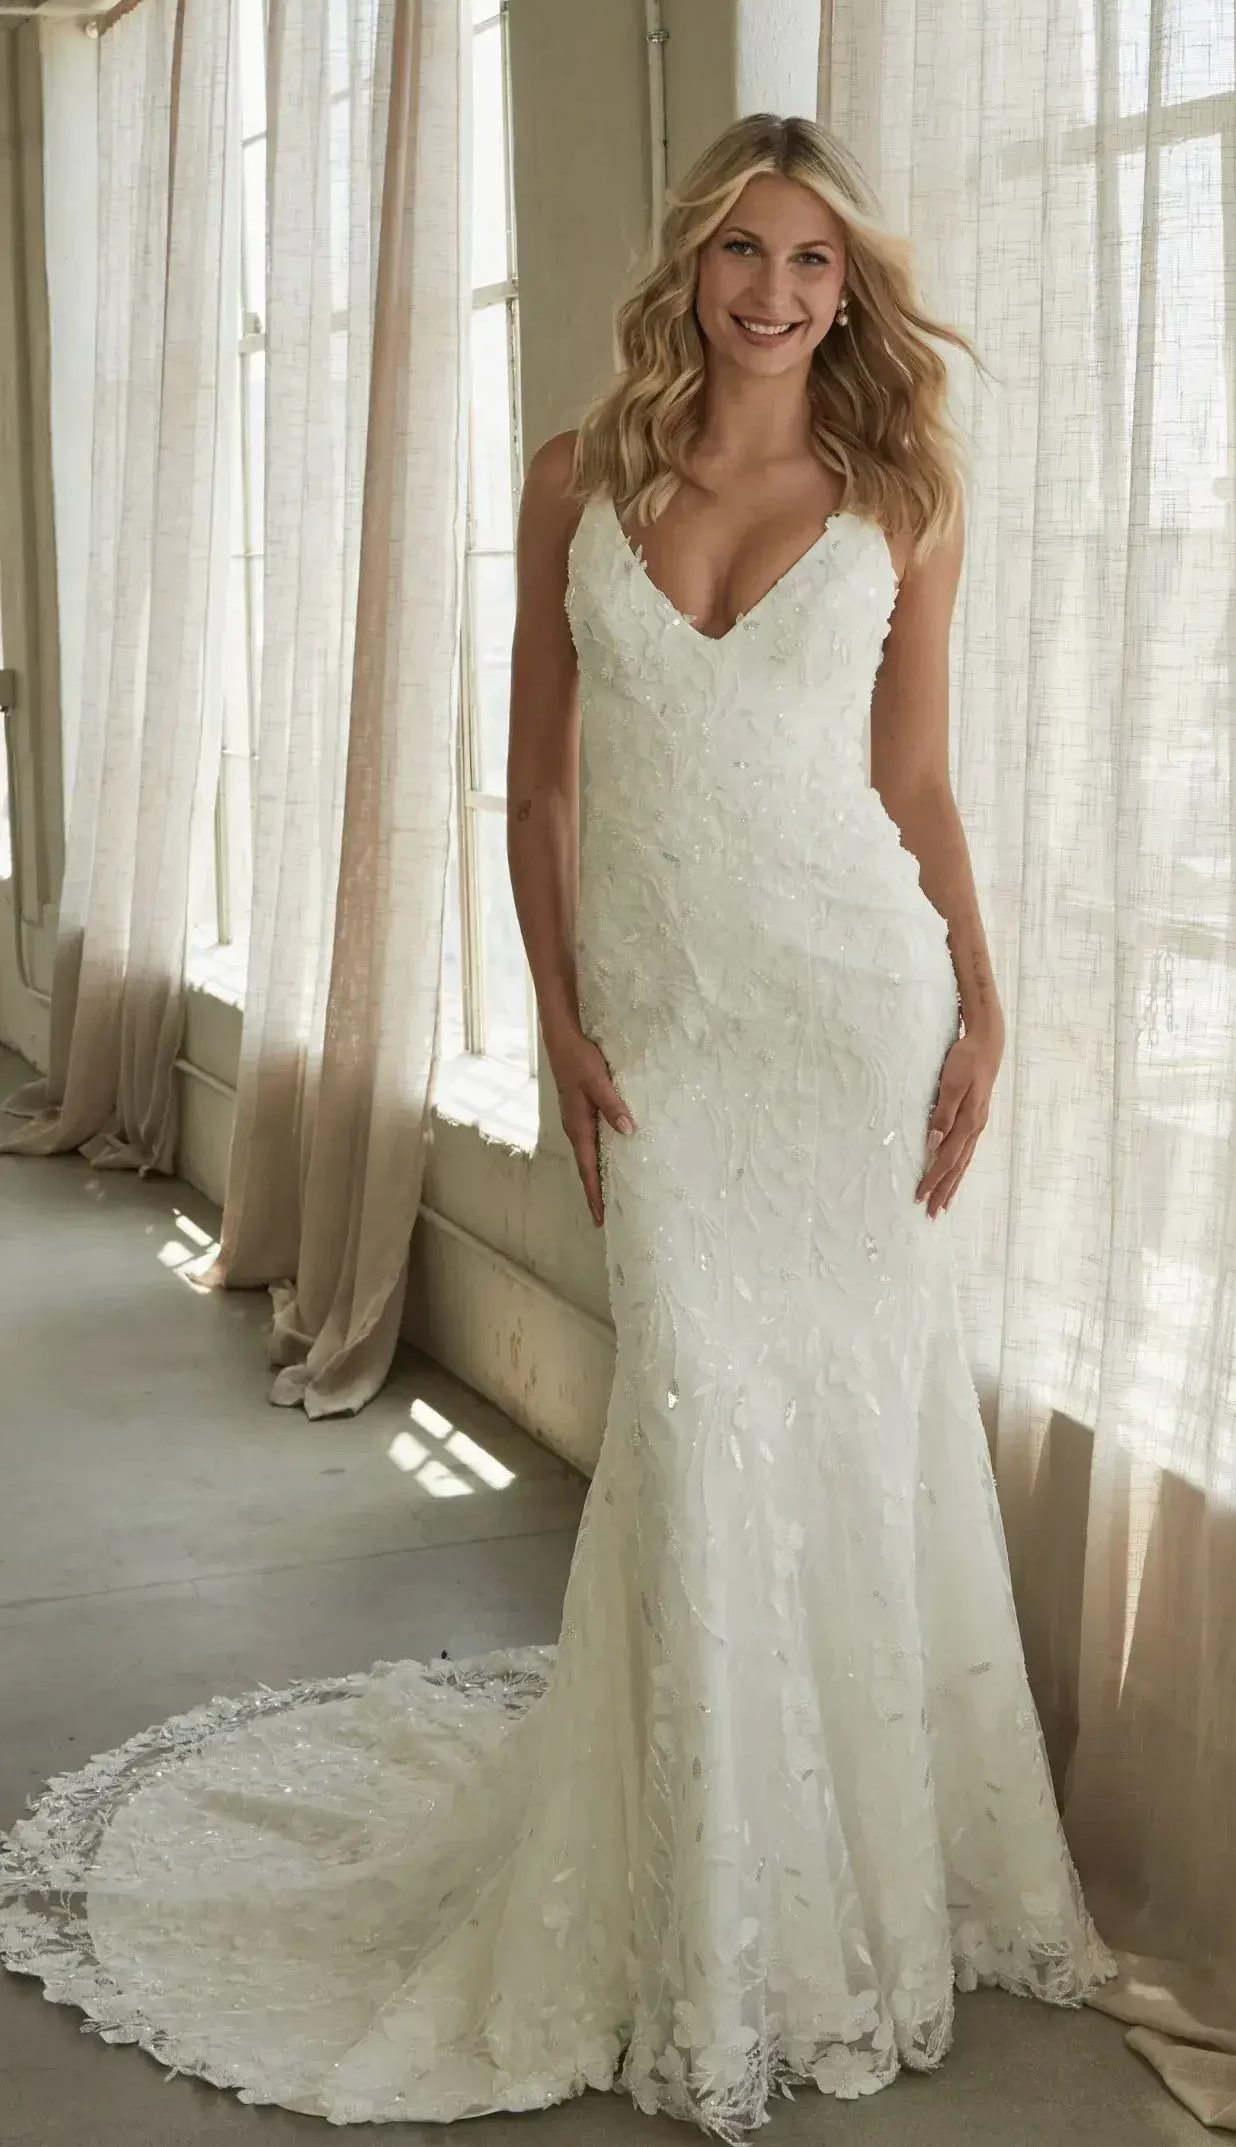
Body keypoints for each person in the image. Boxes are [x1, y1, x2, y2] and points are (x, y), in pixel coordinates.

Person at [0, 113, 1114, 2141]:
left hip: (847, 1013)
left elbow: (919, 784)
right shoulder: (572, 479)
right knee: (690, 1424)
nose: (774, 292)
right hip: (667, 1031)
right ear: (690, 264)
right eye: (743, 252)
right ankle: (702, 1907)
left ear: (848, 290)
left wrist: (983, 998)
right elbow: (539, 787)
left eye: (812, 262)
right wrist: (558, 1017)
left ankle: (843, 1887)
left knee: (845, 1426)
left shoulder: (896, 495)